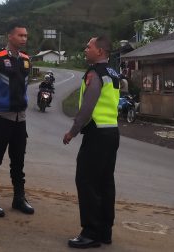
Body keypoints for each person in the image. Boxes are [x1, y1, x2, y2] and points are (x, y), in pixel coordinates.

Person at [62, 35, 120, 248]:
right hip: (111, 133)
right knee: (105, 183)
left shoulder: (94, 73)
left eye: (89, 46)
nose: (85, 49)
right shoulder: (113, 73)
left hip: (96, 134)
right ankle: (105, 231)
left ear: (101, 52)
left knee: (86, 182)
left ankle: (90, 233)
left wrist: (72, 131)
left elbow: (87, 107)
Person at [0, 22, 34, 217]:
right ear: (10, 37)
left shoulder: (27, 60)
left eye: (26, 36)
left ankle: (19, 198)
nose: (24, 39)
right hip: (0, 119)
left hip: (21, 120)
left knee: (18, 162)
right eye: (20, 35)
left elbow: (25, 88)